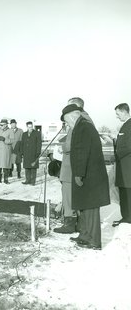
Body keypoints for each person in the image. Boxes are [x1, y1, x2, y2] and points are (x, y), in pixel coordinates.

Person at [61, 104, 110, 249]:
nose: (66, 124)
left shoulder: (83, 127)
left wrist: (79, 174)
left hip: (89, 175)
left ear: (72, 116)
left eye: (66, 121)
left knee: (91, 208)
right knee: (84, 206)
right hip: (87, 174)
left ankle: (94, 241)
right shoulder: (82, 126)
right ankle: (85, 235)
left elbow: (82, 152)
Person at [53, 122, 77, 234]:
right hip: (70, 169)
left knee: (68, 197)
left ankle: (69, 224)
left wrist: (61, 149)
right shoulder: (75, 128)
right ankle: (72, 222)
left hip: (69, 170)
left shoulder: (74, 128)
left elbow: (69, 146)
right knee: (68, 196)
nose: (65, 123)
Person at [113, 103, 131, 226]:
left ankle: (128, 218)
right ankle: (125, 217)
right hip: (123, 167)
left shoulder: (129, 125)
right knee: (123, 192)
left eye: (118, 114)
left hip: (127, 167)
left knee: (127, 193)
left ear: (124, 112)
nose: (117, 117)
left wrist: (117, 154)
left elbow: (129, 145)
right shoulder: (125, 125)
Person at [0, 119, 14, 184]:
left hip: (6, 150)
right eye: (0, 124)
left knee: (5, 165)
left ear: (6, 125)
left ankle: (6, 179)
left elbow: (12, 140)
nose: (1, 126)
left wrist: (5, 139)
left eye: (2, 125)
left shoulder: (10, 131)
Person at [20, 121, 41, 186]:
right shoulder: (24, 134)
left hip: (34, 153)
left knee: (33, 168)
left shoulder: (37, 133)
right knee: (27, 167)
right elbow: (22, 144)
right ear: (27, 127)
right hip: (26, 153)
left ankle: (33, 181)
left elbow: (39, 143)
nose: (30, 128)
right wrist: (22, 152)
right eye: (29, 127)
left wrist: (38, 152)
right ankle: (27, 180)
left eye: (31, 127)